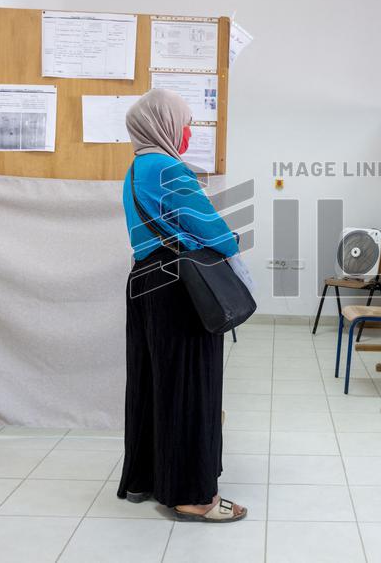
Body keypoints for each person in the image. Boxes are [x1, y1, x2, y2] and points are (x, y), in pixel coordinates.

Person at [117, 88, 247, 522]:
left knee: (155, 382)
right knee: (191, 385)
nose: (188, 131)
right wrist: (233, 241)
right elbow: (215, 233)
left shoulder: (136, 168)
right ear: (164, 124)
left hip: (146, 284)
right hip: (181, 289)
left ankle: (151, 477)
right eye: (184, 122)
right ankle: (192, 494)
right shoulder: (169, 167)